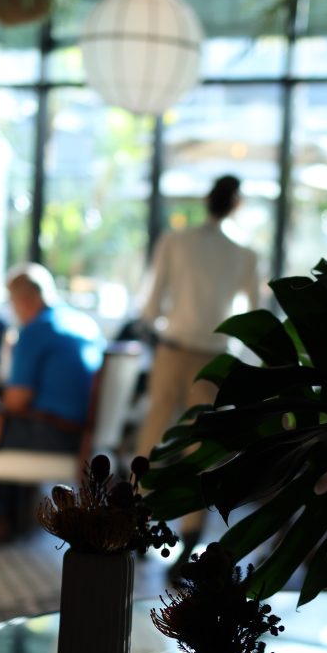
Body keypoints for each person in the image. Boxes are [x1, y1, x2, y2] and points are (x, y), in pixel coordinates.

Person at [135, 174, 261, 562]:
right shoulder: (245, 253)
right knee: (201, 448)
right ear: (236, 204)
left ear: (207, 199)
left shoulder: (176, 241)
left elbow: (151, 303)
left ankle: (136, 519)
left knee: (153, 437)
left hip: (173, 348)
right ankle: (190, 536)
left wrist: (157, 323)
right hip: (213, 356)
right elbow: (255, 314)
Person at [0, 263, 105, 543]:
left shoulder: (36, 330)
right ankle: (15, 514)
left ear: (25, 299)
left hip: (52, 431)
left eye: (11, 301)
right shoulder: (83, 324)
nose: (11, 308)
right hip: (84, 433)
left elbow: (16, 401)